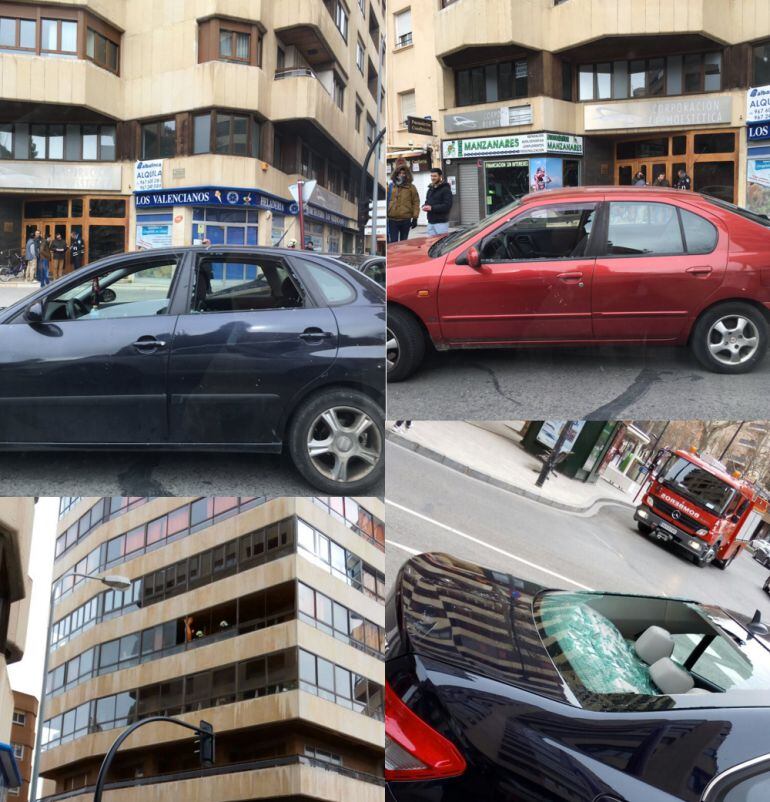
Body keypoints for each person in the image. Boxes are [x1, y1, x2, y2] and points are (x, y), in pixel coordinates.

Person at [387, 161, 420, 243]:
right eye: (400, 173)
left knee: (404, 243)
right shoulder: (391, 186)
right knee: (393, 243)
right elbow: (387, 200)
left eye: (404, 173)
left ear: (407, 175)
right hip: (392, 219)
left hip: (405, 219)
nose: (402, 175)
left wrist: (415, 218)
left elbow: (416, 202)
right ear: (396, 174)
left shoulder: (411, 187)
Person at [422, 168, 453, 237]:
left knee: (441, 245)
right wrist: (424, 206)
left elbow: (447, 206)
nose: (433, 178)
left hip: (441, 223)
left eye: (435, 176)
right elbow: (427, 202)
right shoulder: (430, 189)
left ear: (440, 176)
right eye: (431, 176)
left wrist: (432, 208)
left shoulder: (445, 189)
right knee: (431, 244)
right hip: (430, 222)